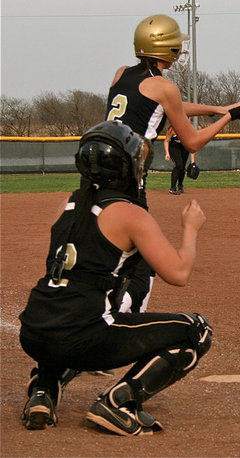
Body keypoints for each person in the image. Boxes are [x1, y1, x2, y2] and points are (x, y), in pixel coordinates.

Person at [19, 121, 212, 435]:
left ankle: (44, 387)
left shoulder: (67, 205)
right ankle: (119, 402)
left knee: (70, 315)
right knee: (197, 331)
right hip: (82, 336)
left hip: (34, 332)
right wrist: (190, 229)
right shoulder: (129, 212)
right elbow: (178, 273)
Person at [105, 14, 240, 313]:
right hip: (130, 186)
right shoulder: (163, 86)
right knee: (141, 264)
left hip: (99, 177)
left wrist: (216, 108)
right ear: (167, 51)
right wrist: (227, 118)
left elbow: (164, 106)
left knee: (103, 251)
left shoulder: (122, 74)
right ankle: (118, 321)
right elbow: (193, 142)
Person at [163, 125, 195, 195]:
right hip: (174, 146)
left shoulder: (188, 129)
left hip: (184, 147)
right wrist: (167, 153)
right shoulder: (172, 128)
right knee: (179, 165)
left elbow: (192, 145)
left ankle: (180, 186)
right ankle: (172, 188)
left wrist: (193, 161)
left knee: (183, 167)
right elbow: (166, 141)